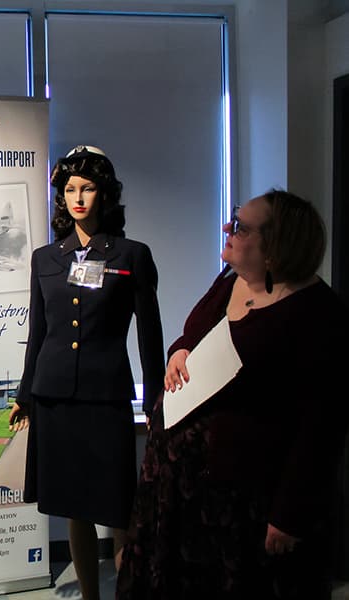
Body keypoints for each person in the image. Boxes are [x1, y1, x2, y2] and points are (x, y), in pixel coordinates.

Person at [117, 189, 349, 600]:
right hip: (182, 495)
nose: (227, 227)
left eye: (241, 227)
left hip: (244, 505)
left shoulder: (318, 315)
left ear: (275, 248)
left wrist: (290, 513)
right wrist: (180, 350)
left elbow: (322, 427)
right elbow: (194, 333)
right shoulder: (231, 281)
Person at [9, 145, 164, 600]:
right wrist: (25, 394)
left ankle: (128, 591)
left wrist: (156, 397)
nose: (78, 198)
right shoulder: (45, 258)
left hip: (105, 396)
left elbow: (149, 334)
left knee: (118, 506)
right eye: (70, 189)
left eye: (88, 188)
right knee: (73, 506)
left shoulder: (131, 255)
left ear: (105, 193)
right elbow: (38, 332)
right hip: (55, 398)